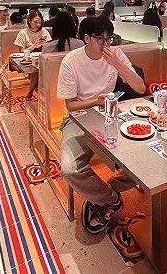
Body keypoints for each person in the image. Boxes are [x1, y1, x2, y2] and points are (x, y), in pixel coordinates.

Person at [58, 16, 145, 234]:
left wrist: (117, 63)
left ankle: (107, 189)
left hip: (111, 114)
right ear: (87, 38)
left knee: (144, 155)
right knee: (69, 168)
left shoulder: (116, 54)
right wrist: (95, 101)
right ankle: (110, 198)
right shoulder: (71, 61)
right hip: (79, 117)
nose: (106, 45)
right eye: (101, 39)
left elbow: (141, 88)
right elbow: (70, 105)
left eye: (109, 39)